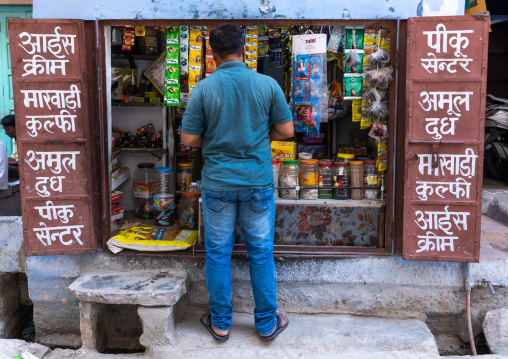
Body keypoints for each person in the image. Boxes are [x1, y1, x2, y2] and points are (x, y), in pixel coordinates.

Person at [181, 23, 293, 342]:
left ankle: (220, 322)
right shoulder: (266, 84)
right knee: (260, 252)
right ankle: (267, 323)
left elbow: (189, 138)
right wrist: (258, 137)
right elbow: (286, 132)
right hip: (257, 181)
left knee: (217, 252)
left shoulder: (204, 88)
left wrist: (216, 141)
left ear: (212, 53)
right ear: (244, 48)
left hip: (217, 183)